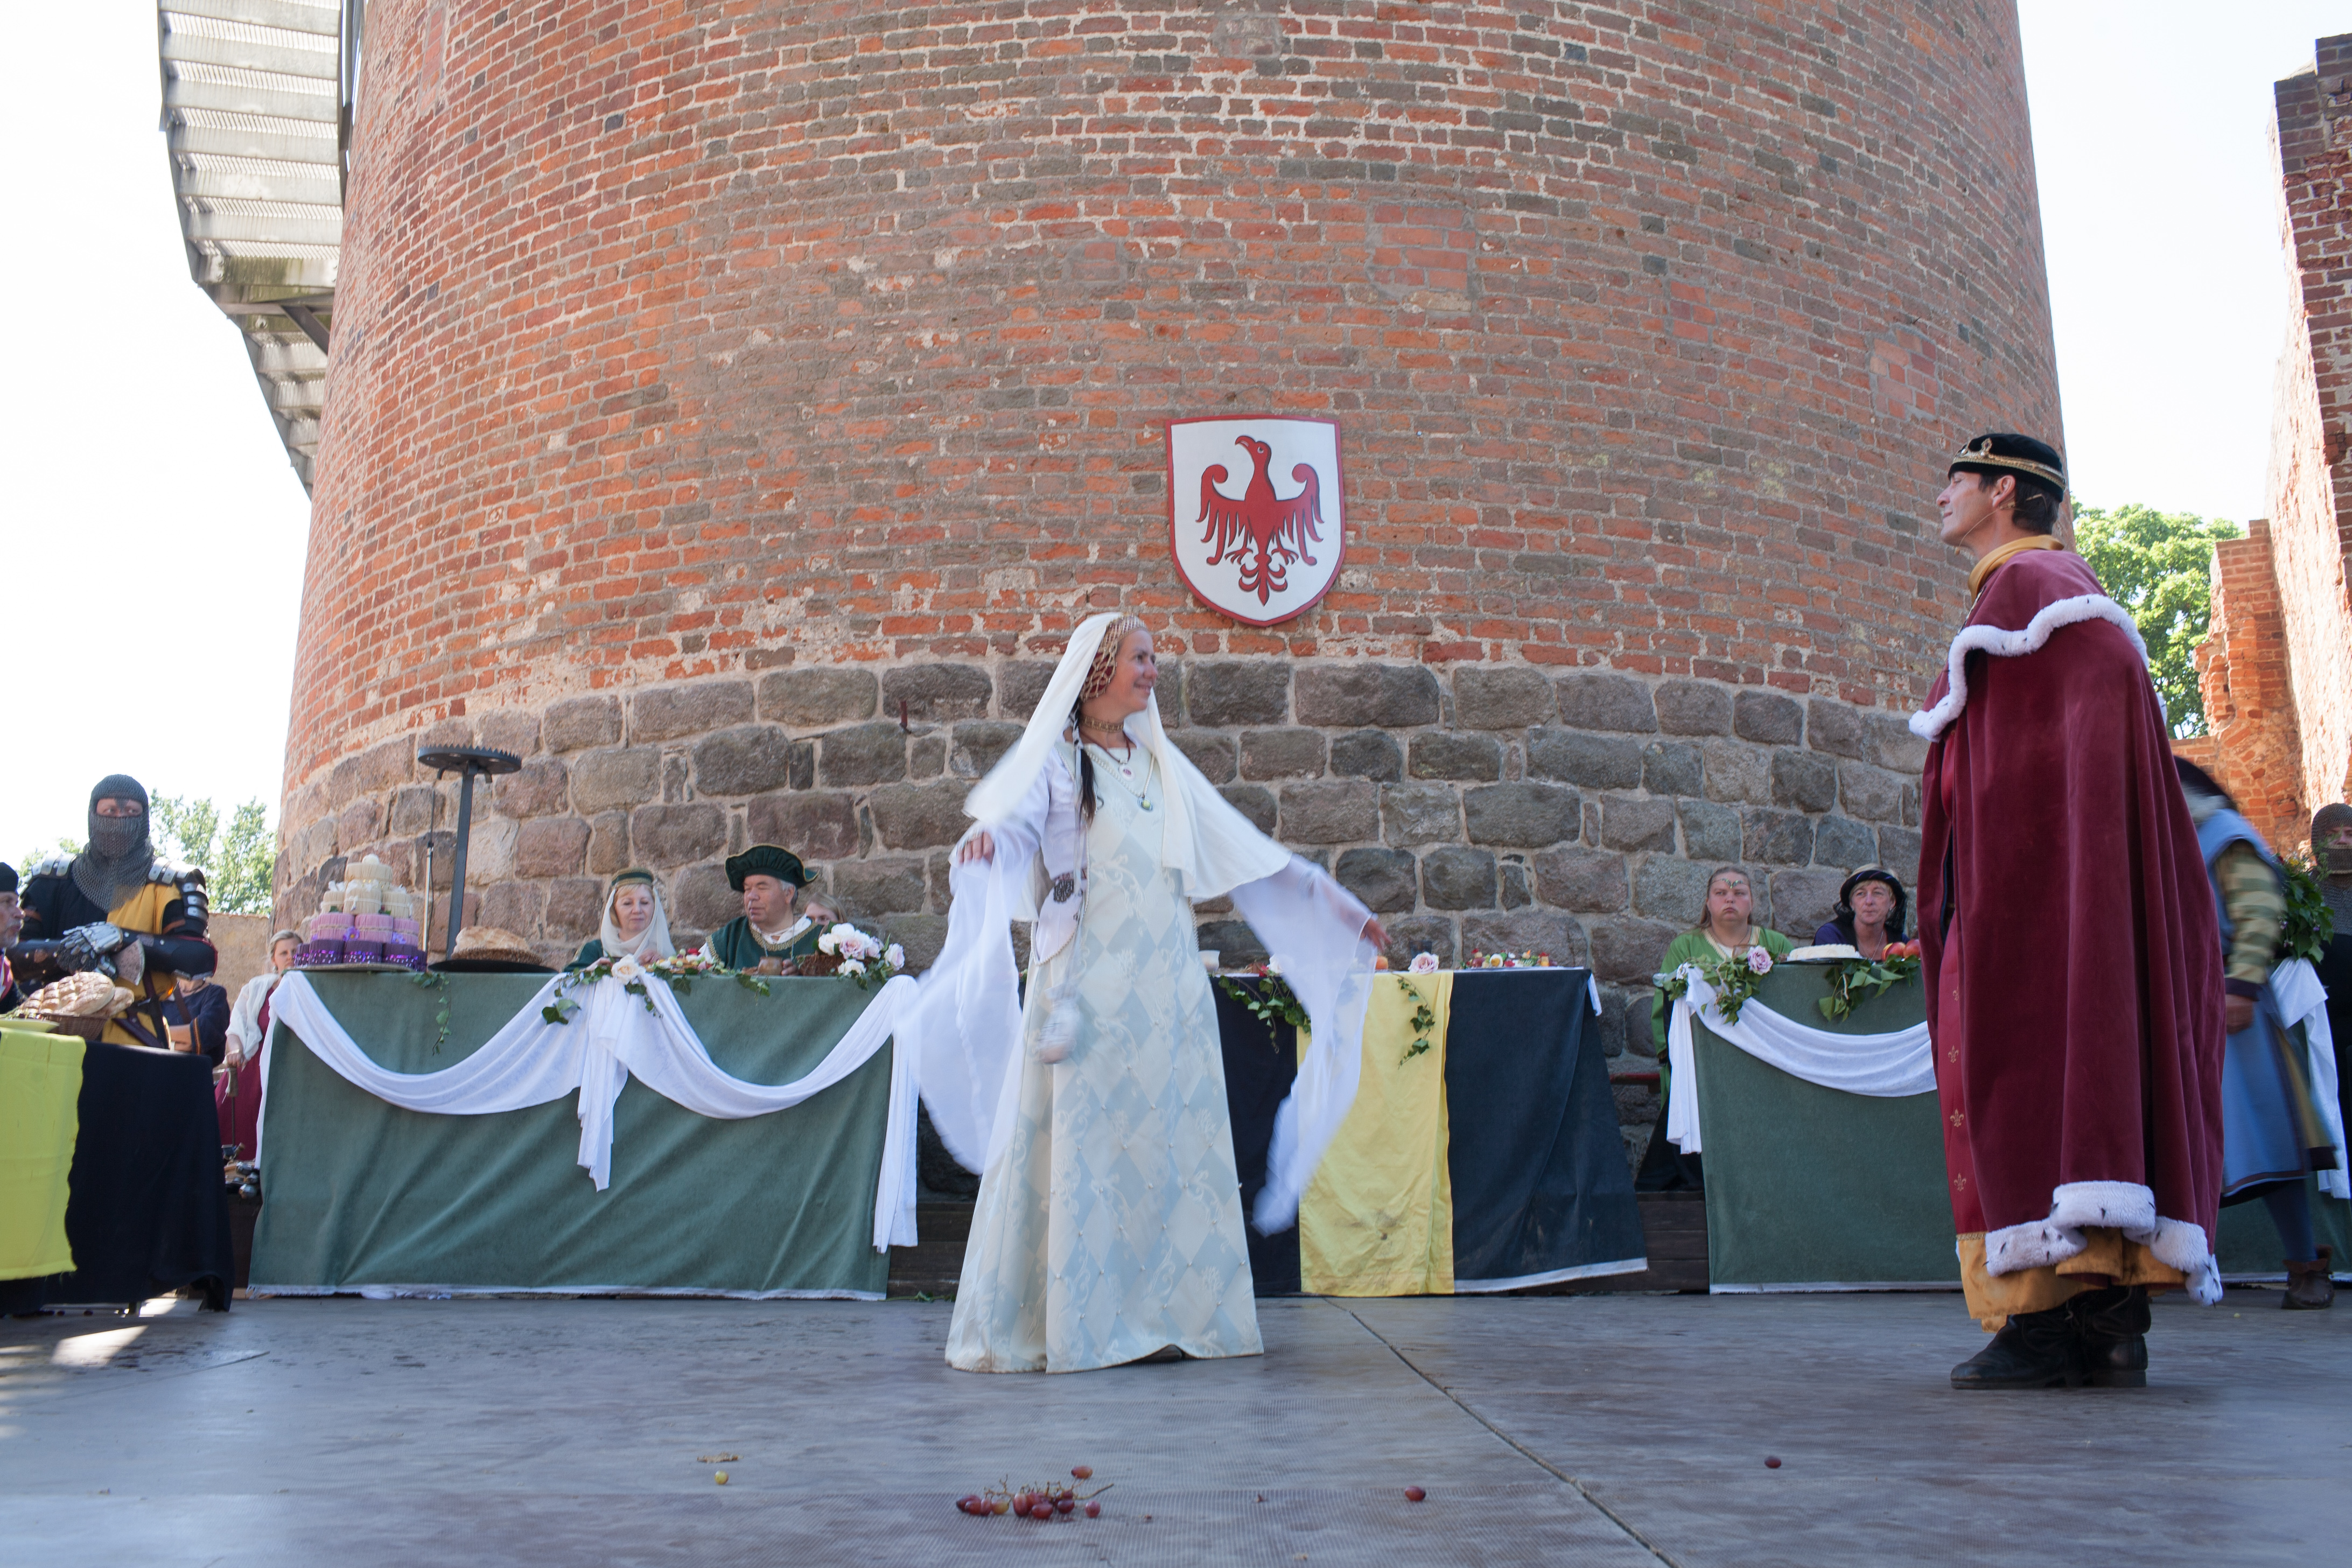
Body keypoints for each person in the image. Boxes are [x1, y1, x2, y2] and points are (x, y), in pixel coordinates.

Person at [942, 612, 1383, 1373]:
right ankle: (1084, 1323)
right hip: (1087, 987)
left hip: (1166, 986)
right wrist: (986, 840)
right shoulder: (1055, 762)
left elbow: (1251, 852)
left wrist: (1339, 910)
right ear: (1099, 671)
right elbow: (1015, 827)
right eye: (1140, 659)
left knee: (1167, 1148)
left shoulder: (1159, 764)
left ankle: (1170, 1316)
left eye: (1152, 660)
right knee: (1090, 1149)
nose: (1152, 672)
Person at [1915, 432, 2224, 1390]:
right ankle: (2108, 1323)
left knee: (2027, 1086)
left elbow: (2078, 754)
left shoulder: (2038, 590)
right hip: (2035, 890)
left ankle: (2046, 1323)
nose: (1941, 497)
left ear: (2003, 490)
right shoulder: (2035, 595)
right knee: (2073, 1080)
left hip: (2033, 903)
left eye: (1957, 481)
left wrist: (2030, 872)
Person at [2175, 761, 2335, 1309]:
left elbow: (2260, 913)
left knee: (2267, 1137)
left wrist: (2241, 986)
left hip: (2228, 1004)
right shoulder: (2168, 843)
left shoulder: (2225, 835)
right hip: (2179, 1010)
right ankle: (2171, 1267)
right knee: (2179, 1146)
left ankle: (2306, 1265)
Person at [8, 774, 218, 1048]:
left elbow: (199, 958)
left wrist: (121, 938)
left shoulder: (170, 882)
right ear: (93, 815)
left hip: (135, 1035)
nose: (120, 819)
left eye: (131, 811)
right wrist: (73, 953)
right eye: (110, 811)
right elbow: (13, 954)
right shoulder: (52, 879)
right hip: (53, 1030)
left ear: (144, 818)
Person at [1638, 866, 1797, 1192]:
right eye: (1721, 893)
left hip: (1761, 1060)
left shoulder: (1775, 944)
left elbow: (1792, 1001)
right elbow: (1665, 1005)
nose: (1730, 899)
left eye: (1739, 893)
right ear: (1708, 903)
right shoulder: (1686, 946)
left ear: (1752, 902)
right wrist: (1673, 1056)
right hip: (1702, 1063)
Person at [220, 930, 299, 1160]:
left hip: (288, 1075)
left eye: (295, 951)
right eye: (284, 953)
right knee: (230, 1134)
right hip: (250, 1073)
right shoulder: (255, 989)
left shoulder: (310, 991)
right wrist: (236, 1051)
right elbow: (236, 1029)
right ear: (274, 959)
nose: (290, 957)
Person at [699, 846, 838, 973]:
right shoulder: (730, 937)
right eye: (747, 889)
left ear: (788, 894)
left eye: (762, 888)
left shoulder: (826, 939)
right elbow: (694, 977)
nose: (751, 896)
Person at [2314, 803, 2352, 1151]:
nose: (2342, 840)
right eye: (2332, 834)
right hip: (2326, 1023)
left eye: (2349, 834)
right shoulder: (2306, 893)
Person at [568, 869, 677, 968]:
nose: (637, 910)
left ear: (655, 908)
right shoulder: (594, 951)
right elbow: (567, 980)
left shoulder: (664, 953)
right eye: (627, 903)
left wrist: (663, 967)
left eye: (645, 903)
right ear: (614, 909)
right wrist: (593, 971)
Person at [1812, 866, 1908, 958]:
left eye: (1877, 893)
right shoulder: (1832, 936)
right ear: (1851, 903)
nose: (1869, 901)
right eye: (1861, 894)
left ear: (1892, 902)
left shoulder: (1902, 943)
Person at [161, 965, 230, 1065]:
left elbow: (202, 1034)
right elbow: (148, 1034)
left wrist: (162, 1035)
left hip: (196, 1070)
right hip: (163, 1066)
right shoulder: (163, 994)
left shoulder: (215, 994)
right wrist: (178, 1045)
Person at [0, 863, 23, 1011]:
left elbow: (22, 1011)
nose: (20, 914)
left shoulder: (3, 969)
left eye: (16, 903)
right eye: (7, 902)